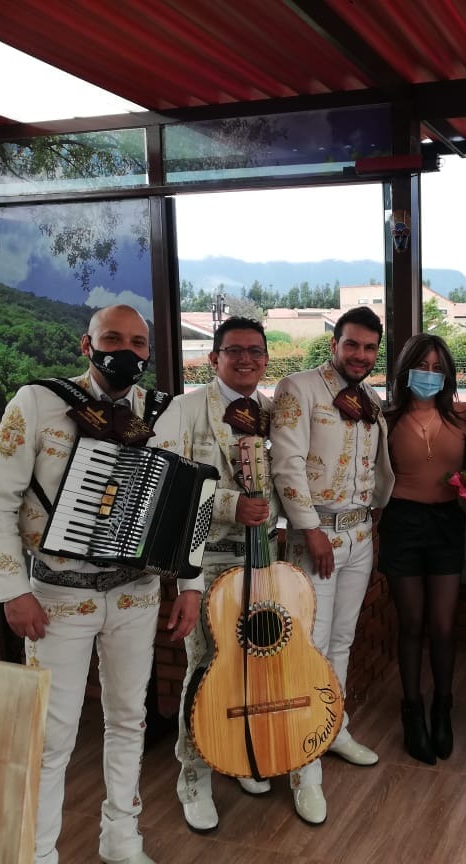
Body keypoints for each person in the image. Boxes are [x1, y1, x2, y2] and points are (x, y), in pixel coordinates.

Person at [0, 304, 200, 864]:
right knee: (51, 736)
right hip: (57, 594)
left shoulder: (166, 412)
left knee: (129, 719)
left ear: (149, 351)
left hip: (136, 593)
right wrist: (14, 591)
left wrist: (190, 586)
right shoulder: (38, 402)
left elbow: (192, 500)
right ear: (87, 343)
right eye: (112, 338)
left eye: (138, 342)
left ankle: (121, 838)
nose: (126, 350)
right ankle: (39, 854)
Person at [149, 316, 276, 831]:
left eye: (255, 351)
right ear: (213, 358)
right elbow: (166, 486)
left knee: (255, 664)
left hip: (262, 557)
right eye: (233, 351)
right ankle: (194, 772)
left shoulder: (270, 411)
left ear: (266, 358)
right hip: (206, 560)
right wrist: (229, 505)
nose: (245, 359)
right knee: (206, 667)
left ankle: (240, 754)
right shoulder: (184, 410)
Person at [269, 305, 395, 825]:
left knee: (342, 642)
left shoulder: (369, 399)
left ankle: (334, 728)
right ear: (334, 344)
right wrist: (309, 529)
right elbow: (286, 462)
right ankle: (304, 768)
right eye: (352, 345)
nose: (361, 355)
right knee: (309, 649)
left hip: (360, 533)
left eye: (370, 348)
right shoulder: (298, 389)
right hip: (313, 537)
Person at [380, 333, 466, 765]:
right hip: (402, 522)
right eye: (423, 366)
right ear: (405, 370)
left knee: (442, 625)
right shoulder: (385, 419)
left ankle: (444, 707)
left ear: (448, 374)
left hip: (448, 524)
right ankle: (412, 709)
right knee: (412, 622)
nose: (430, 375)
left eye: (438, 368)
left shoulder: (463, 419)